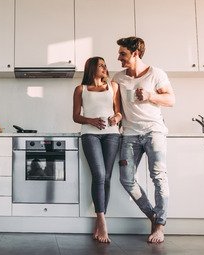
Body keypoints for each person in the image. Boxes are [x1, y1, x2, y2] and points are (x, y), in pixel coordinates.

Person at [112, 37, 175, 243]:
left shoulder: (156, 73)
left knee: (158, 176)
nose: (119, 57)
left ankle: (159, 226)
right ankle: (154, 216)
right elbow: (115, 105)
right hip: (129, 134)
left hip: (153, 131)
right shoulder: (118, 78)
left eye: (123, 54)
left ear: (135, 53)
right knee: (127, 179)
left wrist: (150, 96)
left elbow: (170, 100)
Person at [73, 57, 122, 243]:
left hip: (112, 134)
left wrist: (116, 119)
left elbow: (119, 112)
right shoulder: (81, 89)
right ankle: (102, 222)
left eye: (104, 65)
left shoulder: (113, 87)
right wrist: (90, 120)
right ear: (92, 67)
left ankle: (99, 220)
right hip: (90, 135)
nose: (104, 67)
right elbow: (76, 116)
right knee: (99, 175)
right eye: (101, 64)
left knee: (107, 177)